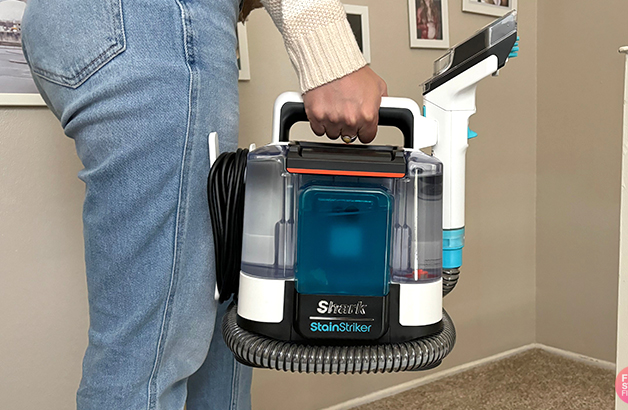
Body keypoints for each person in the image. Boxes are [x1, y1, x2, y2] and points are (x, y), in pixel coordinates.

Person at [20, 0, 387, 409]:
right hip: (148, 20)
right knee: (148, 356)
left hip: (103, 26)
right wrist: (329, 50)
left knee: (211, 306)